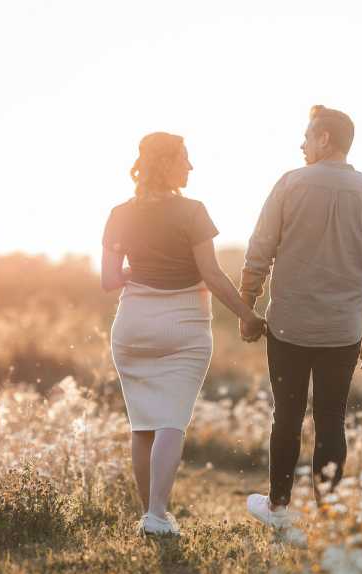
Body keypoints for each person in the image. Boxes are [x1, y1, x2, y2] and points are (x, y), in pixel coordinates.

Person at [240, 105, 362, 530]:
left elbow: (259, 251)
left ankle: (278, 509)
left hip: (288, 327)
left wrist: (247, 305)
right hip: (342, 332)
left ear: (325, 138)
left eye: (307, 136)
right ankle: (328, 517)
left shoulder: (290, 184)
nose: (302, 144)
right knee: (332, 419)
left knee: (286, 418)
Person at [102, 132, 266, 536]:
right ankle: (157, 515)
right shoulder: (192, 212)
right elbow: (210, 273)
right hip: (184, 328)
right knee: (171, 421)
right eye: (185, 159)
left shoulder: (120, 213)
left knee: (143, 425)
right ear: (169, 164)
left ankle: (152, 515)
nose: (191, 167)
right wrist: (248, 315)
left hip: (133, 325)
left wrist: (132, 272)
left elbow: (108, 279)